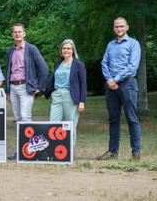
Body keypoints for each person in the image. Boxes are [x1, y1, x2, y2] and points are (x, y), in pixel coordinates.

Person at [97, 17, 142, 161]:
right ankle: (113, 152)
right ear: (113, 28)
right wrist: (110, 80)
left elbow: (132, 66)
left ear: (127, 27)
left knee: (132, 119)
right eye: (116, 26)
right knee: (113, 119)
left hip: (128, 84)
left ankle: (135, 153)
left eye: (122, 26)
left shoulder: (134, 44)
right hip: (111, 86)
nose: (119, 29)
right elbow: (104, 63)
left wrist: (115, 79)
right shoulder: (110, 45)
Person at [5, 23, 48, 160]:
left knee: (25, 117)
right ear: (12, 35)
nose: (17, 34)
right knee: (18, 119)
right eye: (15, 32)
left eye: (20, 32)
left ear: (24, 33)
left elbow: (44, 68)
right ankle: (21, 150)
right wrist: (7, 89)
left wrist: (39, 87)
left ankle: (31, 149)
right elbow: (8, 71)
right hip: (13, 87)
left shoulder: (31, 49)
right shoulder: (9, 51)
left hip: (26, 88)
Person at [45, 39, 87, 147]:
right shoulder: (57, 64)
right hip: (57, 96)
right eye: (64, 48)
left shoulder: (78, 64)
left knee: (70, 126)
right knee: (53, 124)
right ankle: (53, 149)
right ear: (61, 50)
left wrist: (82, 101)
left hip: (71, 96)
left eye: (68, 48)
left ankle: (69, 153)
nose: (66, 50)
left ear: (73, 50)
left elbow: (83, 84)